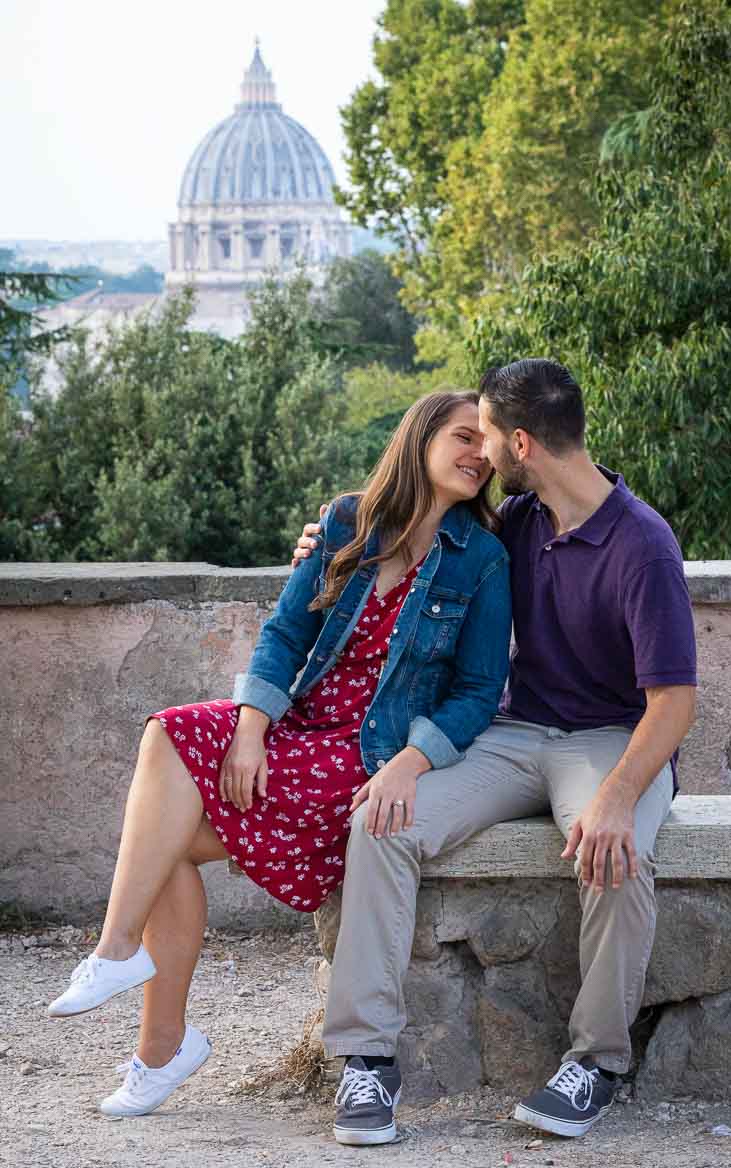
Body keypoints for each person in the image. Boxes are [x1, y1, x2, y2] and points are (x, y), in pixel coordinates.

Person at [47, 389, 512, 1129]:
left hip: (370, 754)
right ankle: (128, 975)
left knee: (163, 846)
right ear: (420, 435)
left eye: (485, 446)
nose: (478, 456)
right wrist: (252, 728)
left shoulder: (482, 558)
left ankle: (154, 1027)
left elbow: (479, 691)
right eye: (463, 437)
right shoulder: (347, 521)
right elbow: (285, 633)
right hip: (300, 728)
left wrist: (411, 763)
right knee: (168, 734)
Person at [292, 358, 697, 1142]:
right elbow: (403, 535)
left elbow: (674, 702)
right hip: (511, 735)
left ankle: (597, 1062)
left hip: (610, 741)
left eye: (487, 438)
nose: (480, 455)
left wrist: (616, 798)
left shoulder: (642, 545)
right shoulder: (516, 524)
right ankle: (366, 1063)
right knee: (383, 817)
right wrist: (328, 534)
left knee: (614, 854)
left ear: (522, 444)